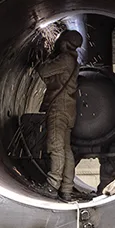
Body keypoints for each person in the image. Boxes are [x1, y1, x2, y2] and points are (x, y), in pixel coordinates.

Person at [38, 30, 83, 201]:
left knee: (55, 146)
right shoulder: (73, 62)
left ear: (64, 43)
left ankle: (51, 185)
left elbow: (43, 70)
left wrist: (43, 58)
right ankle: (66, 189)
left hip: (59, 107)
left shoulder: (64, 59)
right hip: (69, 109)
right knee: (66, 149)